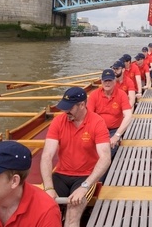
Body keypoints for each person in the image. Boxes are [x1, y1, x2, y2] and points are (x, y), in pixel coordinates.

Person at [40, 87, 111, 227]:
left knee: (72, 214)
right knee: (43, 210)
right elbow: (47, 156)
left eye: (69, 108)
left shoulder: (97, 122)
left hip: (84, 177)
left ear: (82, 105)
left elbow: (105, 158)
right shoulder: (58, 122)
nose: (65, 111)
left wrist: (85, 187)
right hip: (60, 175)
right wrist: (48, 188)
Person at [88, 68, 133, 161]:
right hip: (98, 129)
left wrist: (117, 135)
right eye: (105, 80)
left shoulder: (121, 94)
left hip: (114, 130)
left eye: (110, 80)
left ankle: (101, 169)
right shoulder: (94, 95)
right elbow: (88, 116)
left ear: (115, 81)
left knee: (107, 150)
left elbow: (128, 115)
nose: (107, 83)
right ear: (101, 81)